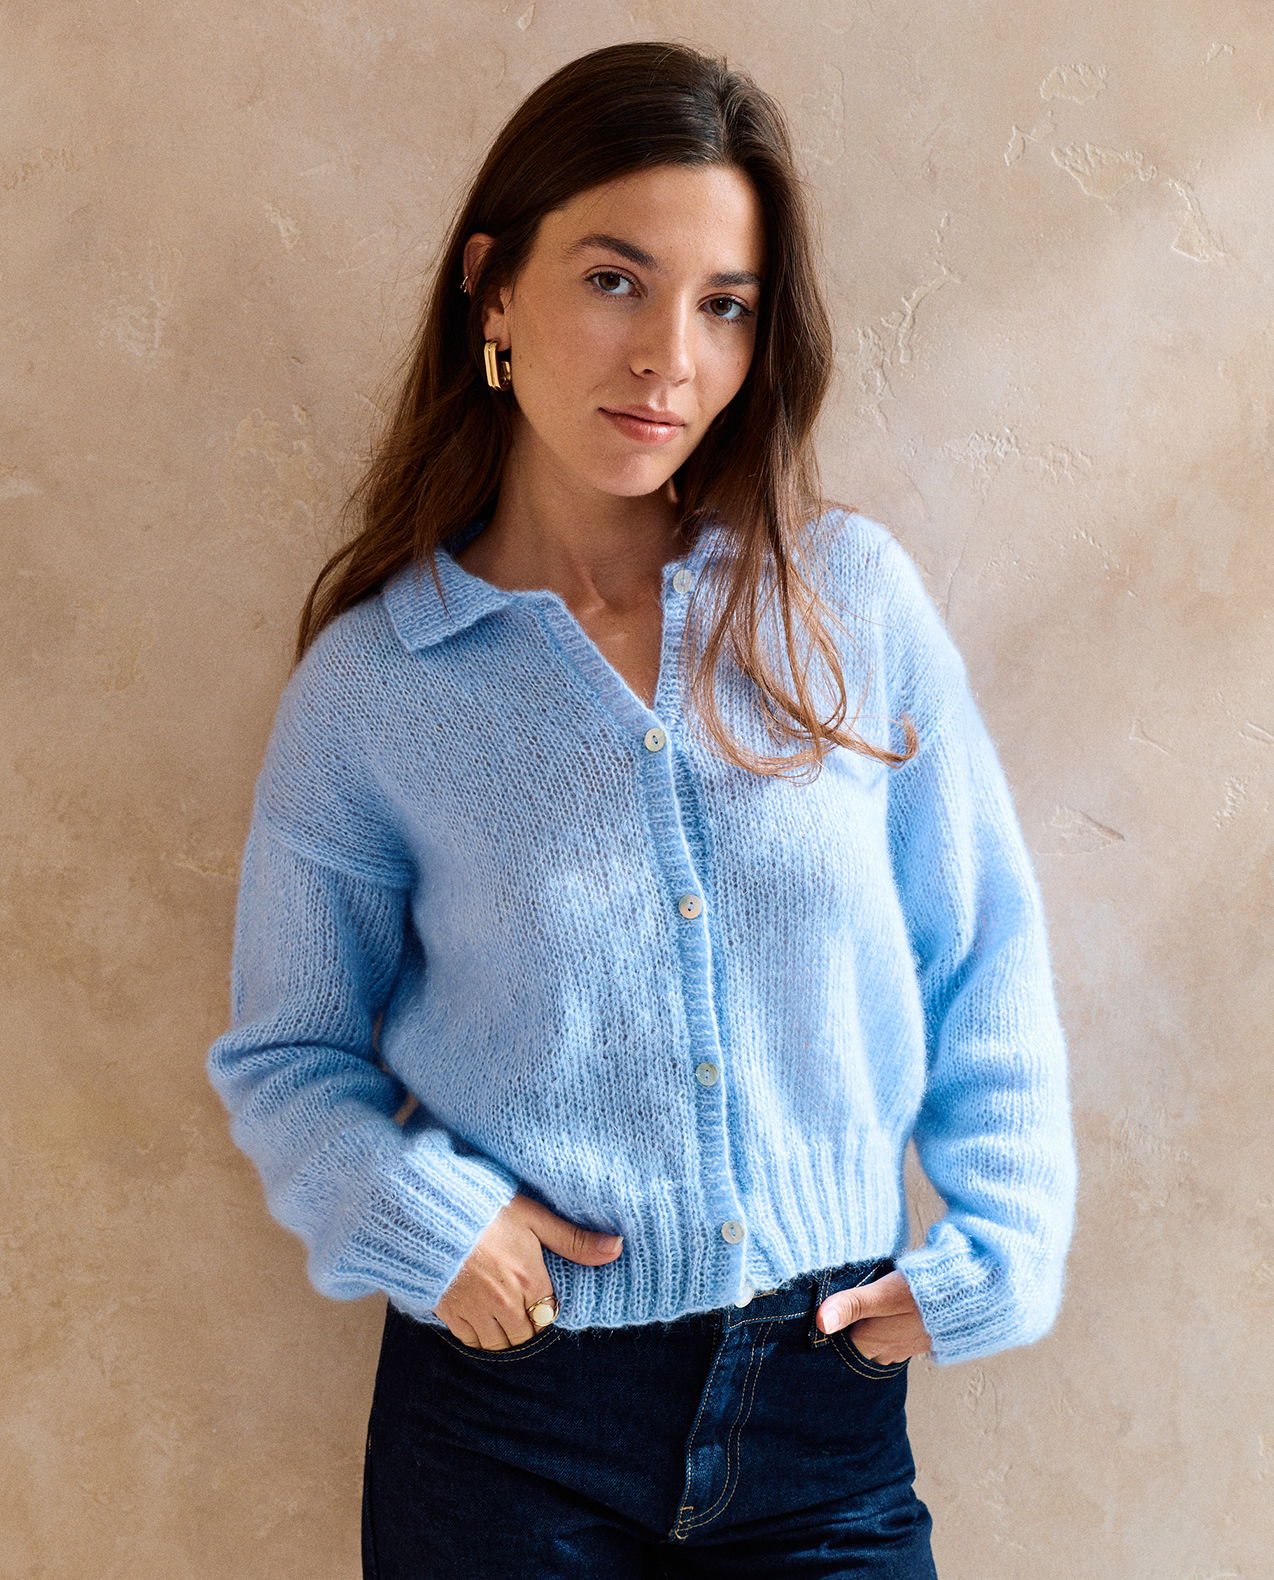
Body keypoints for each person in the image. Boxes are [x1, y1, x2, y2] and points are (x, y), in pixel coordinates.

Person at [205, 39, 1078, 1579]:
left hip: (825, 1407)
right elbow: (289, 1050)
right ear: (491, 289)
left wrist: (1000, 1247)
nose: (668, 356)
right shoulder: (380, 685)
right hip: (507, 1429)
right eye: (615, 281)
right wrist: (421, 1218)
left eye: (723, 304)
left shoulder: (842, 601)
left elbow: (979, 947)